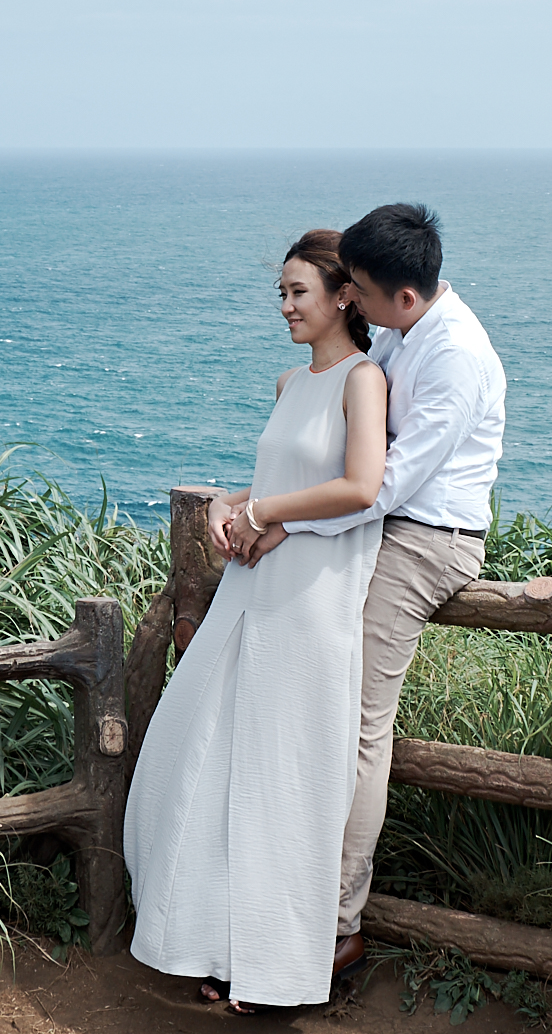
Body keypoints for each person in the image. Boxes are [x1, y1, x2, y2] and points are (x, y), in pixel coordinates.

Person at [229, 202, 505, 986]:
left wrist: (277, 520)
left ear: (403, 297)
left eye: (358, 290)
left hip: (427, 539)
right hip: (376, 524)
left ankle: (337, 924)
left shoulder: (456, 358)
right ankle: (274, 895)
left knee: (353, 724)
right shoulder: (402, 330)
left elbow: (382, 486)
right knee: (303, 703)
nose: (347, 298)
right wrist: (251, 501)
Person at [123, 229, 391, 1010]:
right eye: (281, 293)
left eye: (298, 292)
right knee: (212, 758)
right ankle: (218, 944)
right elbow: (278, 476)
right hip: (256, 583)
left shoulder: (363, 379)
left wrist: (264, 510)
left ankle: (280, 968)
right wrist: (229, 503)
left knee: (287, 776)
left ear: (344, 296)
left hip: (313, 597)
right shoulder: (289, 383)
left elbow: (361, 485)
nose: (285, 307)